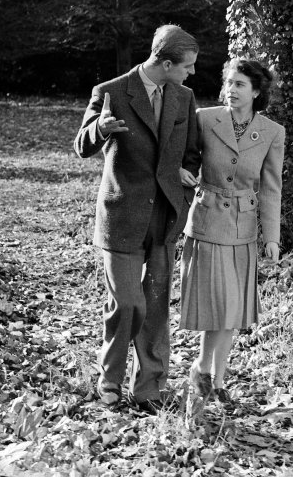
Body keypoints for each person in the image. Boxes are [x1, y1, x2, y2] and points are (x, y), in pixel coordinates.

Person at [73, 24, 201, 414]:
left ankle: (149, 387)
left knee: (157, 306)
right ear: (164, 63)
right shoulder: (110, 91)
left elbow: (191, 152)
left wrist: (184, 176)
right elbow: (81, 145)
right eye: (187, 66)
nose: (191, 73)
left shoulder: (185, 97)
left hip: (165, 216)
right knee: (128, 304)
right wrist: (100, 128)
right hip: (122, 215)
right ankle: (109, 379)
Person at [180, 58, 284, 414]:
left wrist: (271, 236)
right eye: (229, 83)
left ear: (256, 91)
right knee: (220, 307)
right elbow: (187, 159)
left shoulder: (271, 132)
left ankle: (213, 376)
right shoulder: (205, 119)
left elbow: (271, 189)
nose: (231, 90)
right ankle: (203, 369)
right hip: (208, 220)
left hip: (243, 226)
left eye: (240, 84)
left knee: (233, 310)